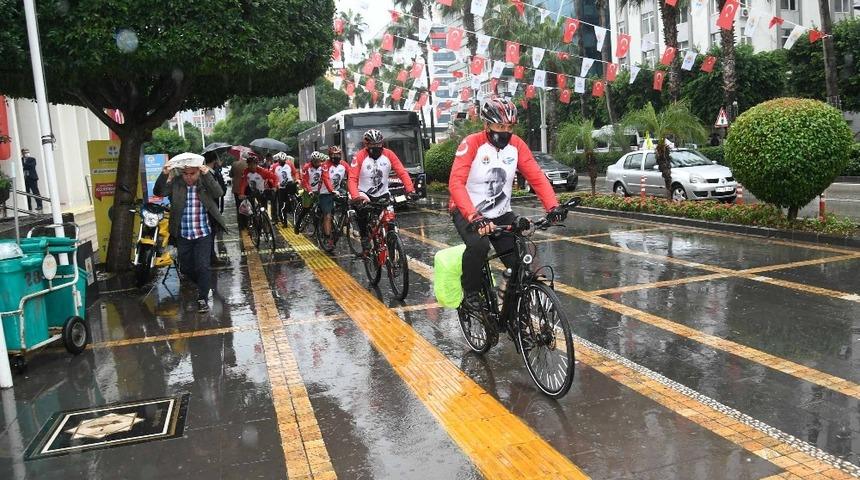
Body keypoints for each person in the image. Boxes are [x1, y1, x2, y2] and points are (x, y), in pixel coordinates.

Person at [448, 97, 567, 311]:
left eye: (509, 127)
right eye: (500, 126)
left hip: (501, 213)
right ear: (486, 124)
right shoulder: (472, 143)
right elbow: (456, 183)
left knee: (521, 262)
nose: (505, 131)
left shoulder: (517, 145)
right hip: (468, 211)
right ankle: (471, 293)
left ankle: (514, 317)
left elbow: (536, 176)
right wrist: (474, 217)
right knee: (480, 245)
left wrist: (552, 207)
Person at [153, 153, 227, 313]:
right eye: (185, 173)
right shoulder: (177, 183)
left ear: (199, 171)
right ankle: (204, 284)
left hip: (203, 233)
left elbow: (218, 193)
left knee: (203, 267)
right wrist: (164, 173)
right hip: (183, 234)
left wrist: (207, 174)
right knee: (185, 268)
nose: (188, 177)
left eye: (192, 173)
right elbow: (159, 192)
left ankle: (202, 298)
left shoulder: (204, 181)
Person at [348, 129, 415, 252]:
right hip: (364, 194)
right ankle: (364, 237)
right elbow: (352, 178)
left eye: (378, 145)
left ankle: (392, 248)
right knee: (362, 215)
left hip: (383, 193)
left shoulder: (389, 154)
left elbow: (401, 172)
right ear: (366, 145)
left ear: (382, 143)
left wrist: (410, 189)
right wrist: (355, 196)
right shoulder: (359, 157)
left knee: (390, 222)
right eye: (372, 145)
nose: (375, 147)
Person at [319, 146, 348, 249]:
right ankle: (327, 238)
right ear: (330, 156)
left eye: (338, 155)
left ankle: (345, 221)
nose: (336, 157)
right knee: (327, 215)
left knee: (351, 200)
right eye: (333, 155)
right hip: (325, 192)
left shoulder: (343, 164)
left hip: (338, 189)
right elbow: (326, 178)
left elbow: (352, 175)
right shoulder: (325, 165)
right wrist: (332, 190)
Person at [271, 152, 298, 225]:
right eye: (281, 161)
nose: (282, 163)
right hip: (281, 187)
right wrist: (275, 185)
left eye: (284, 161)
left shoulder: (289, 164)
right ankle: (283, 219)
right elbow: (271, 177)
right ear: (278, 160)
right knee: (281, 204)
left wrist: (296, 179)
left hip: (289, 184)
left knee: (292, 199)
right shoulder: (274, 166)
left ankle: (293, 209)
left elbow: (295, 172)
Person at [230, 153, 248, 228]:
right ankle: (247, 223)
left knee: (239, 207)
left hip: (236, 189)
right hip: (246, 189)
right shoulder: (249, 164)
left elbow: (230, 175)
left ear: (241, 157)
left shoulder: (234, 164)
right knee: (248, 206)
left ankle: (241, 225)